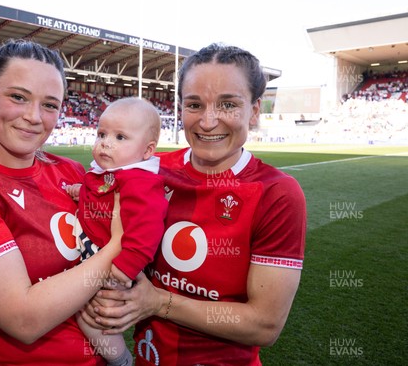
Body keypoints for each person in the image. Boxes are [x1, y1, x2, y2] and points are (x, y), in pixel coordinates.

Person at [83, 43, 307, 365]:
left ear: (255, 111)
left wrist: (158, 302)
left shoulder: (277, 194)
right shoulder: (148, 171)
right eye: (194, 105)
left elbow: (264, 324)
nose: (208, 121)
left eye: (228, 104)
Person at [0, 39, 123, 365]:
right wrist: (121, 246)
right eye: (18, 97)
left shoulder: (71, 172)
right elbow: (23, 319)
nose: (34, 117)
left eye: (49, 105)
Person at [65, 97, 168, 366]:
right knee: (80, 308)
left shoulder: (140, 181)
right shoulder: (109, 173)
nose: (106, 142)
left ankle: (121, 360)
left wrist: (124, 269)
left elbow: (148, 228)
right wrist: (81, 192)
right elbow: (99, 193)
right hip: (98, 256)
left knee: (95, 315)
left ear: (147, 151)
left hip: (118, 266)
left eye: (120, 137)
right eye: (102, 134)